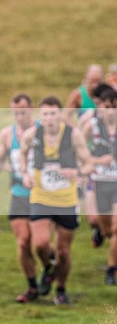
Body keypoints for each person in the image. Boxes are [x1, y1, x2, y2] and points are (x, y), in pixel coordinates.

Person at [19, 96, 93, 305]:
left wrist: (77, 172)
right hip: (41, 196)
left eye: (53, 114)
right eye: (45, 114)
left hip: (66, 200)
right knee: (40, 244)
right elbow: (22, 155)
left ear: (60, 115)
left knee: (64, 251)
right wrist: (25, 174)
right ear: (40, 116)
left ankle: (61, 289)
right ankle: (49, 268)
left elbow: (88, 164)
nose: (49, 118)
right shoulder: (31, 135)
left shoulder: (73, 135)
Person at [0, 94, 41, 302]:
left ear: (31, 109)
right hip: (18, 194)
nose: (19, 115)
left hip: (43, 195)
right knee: (23, 242)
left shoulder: (43, 130)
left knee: (41, 243)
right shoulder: (7, 134)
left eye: (23, 111)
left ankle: (50, 267)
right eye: (15, 112)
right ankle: (32, 285)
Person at [80, 87, 117, 285]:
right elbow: (79, 152)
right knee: (107, 229)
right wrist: (96, 161)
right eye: (107, 107)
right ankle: (101, 232)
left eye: (114, 107)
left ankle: (111, 269)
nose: (110, 111)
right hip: (100, 181)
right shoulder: (91, 127)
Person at [64, 64, 105, 245]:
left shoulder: (107, 95)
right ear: (85, 80)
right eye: (92, 81)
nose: (95, 84)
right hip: (83, 146)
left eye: (98, 81)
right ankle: (92, 220)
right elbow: (66, 116)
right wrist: (77, 132)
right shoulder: (78, 95)